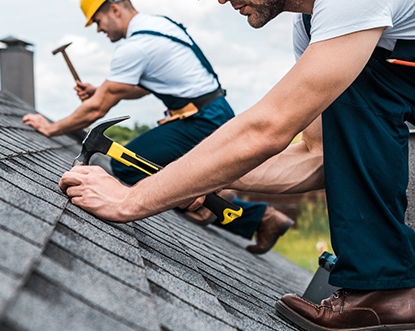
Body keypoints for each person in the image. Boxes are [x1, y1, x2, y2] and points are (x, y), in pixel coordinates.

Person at [59, 0, 415, 329]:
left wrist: (129, 201)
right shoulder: (312, 30)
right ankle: (384, 287)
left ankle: (384, 286)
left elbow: (267, 129)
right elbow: (317, 155)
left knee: (354, 82)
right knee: (350, 85)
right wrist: (204, 179)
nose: (219, 0)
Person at [22, 0, 293, 254]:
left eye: (98, 20)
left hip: (199, 121)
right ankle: (230, 205)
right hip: (212, 111)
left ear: (115, 9)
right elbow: (141, 87)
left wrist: (51, 127)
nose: (99, 29)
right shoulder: (159, 25)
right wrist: (101, 89)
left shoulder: (135, 46)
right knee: (156, 168)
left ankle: (236, 208)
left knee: (125, 166)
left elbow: (96, 109)